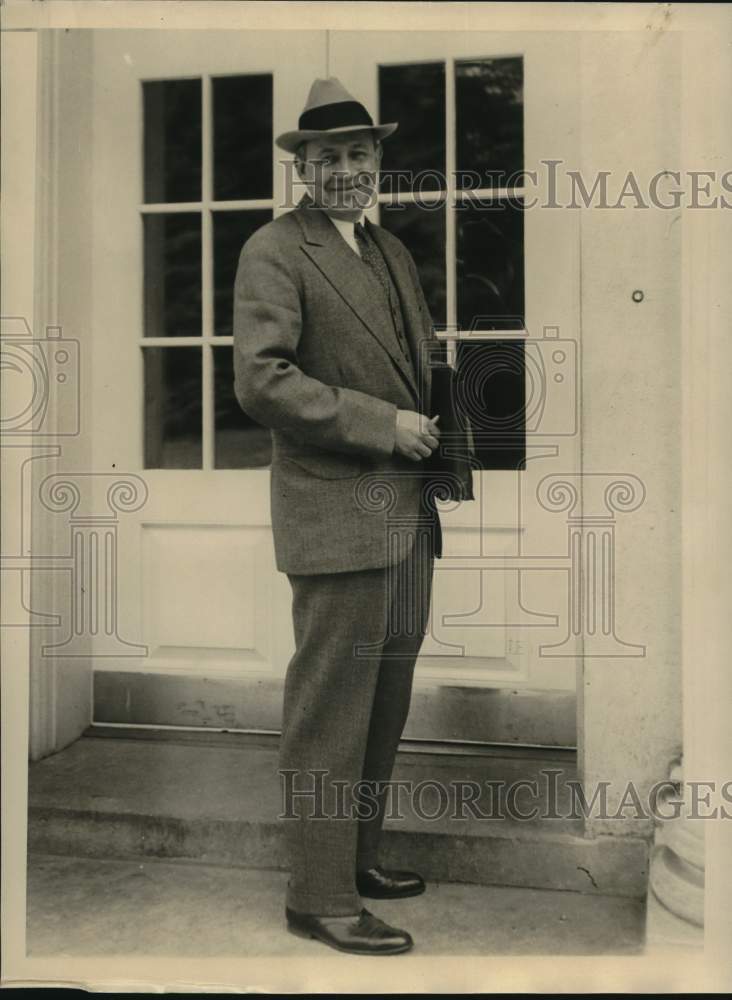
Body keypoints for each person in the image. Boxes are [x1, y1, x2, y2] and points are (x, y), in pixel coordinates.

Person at [233, 77, 445, 956]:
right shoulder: (274, 249)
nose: (347, 170)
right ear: (303, 170)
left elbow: (416, 372)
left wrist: (448, 455)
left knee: (383, 699)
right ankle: (316, 895)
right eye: (328, 158)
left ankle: (354, 858)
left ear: (377, 163)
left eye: (360, 154)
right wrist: (381, 425)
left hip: (405, 515)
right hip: (334, 513)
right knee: (331, 709)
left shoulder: (388, 251)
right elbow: (262, 380)